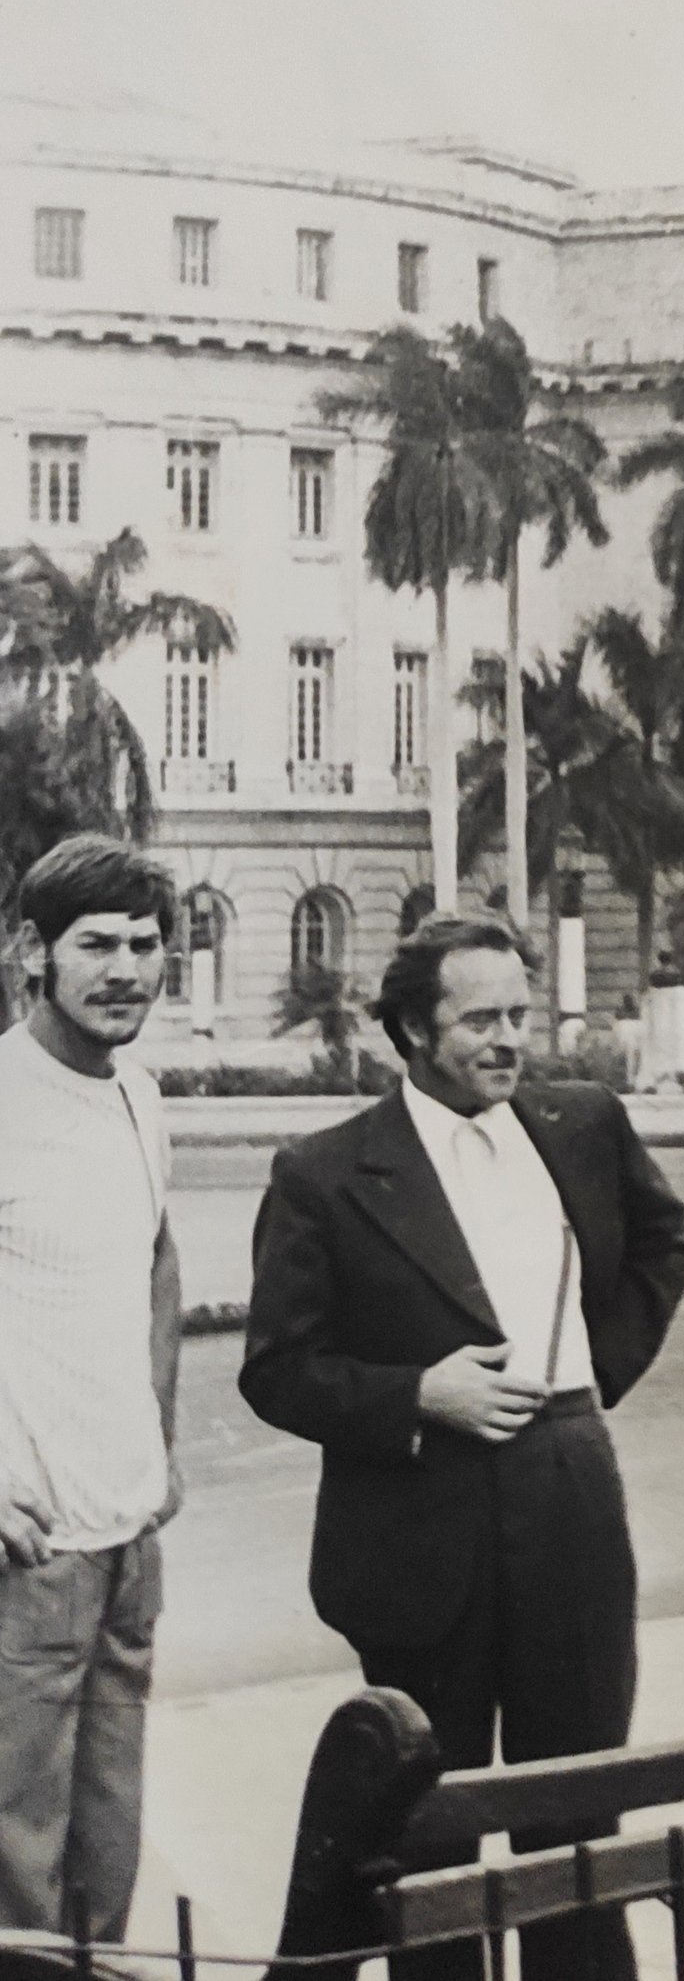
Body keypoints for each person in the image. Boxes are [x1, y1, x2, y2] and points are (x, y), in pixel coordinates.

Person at [242, 913, 684, 1981]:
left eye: (518, 1014)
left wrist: (590, 1373)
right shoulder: (325, 1171)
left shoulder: (579, 1122)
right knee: (430, 1835)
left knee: (577, 1819)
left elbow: (664, 1240)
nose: (509, 1040)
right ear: (411, 1027)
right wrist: (419, 1395)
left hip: (568, 1496)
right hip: (416, 1527)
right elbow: (276, 1367)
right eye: (479, 1019)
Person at [0, 837, 182, 1967]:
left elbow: (156, 1266)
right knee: (15, 1865)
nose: (125, 969)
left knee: (107, 1855)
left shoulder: (140, 1099)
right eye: (96, 944)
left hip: (126, 1543)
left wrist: (158, 1446)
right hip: (28, 1553)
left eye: (146, 945)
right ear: (30, 952)